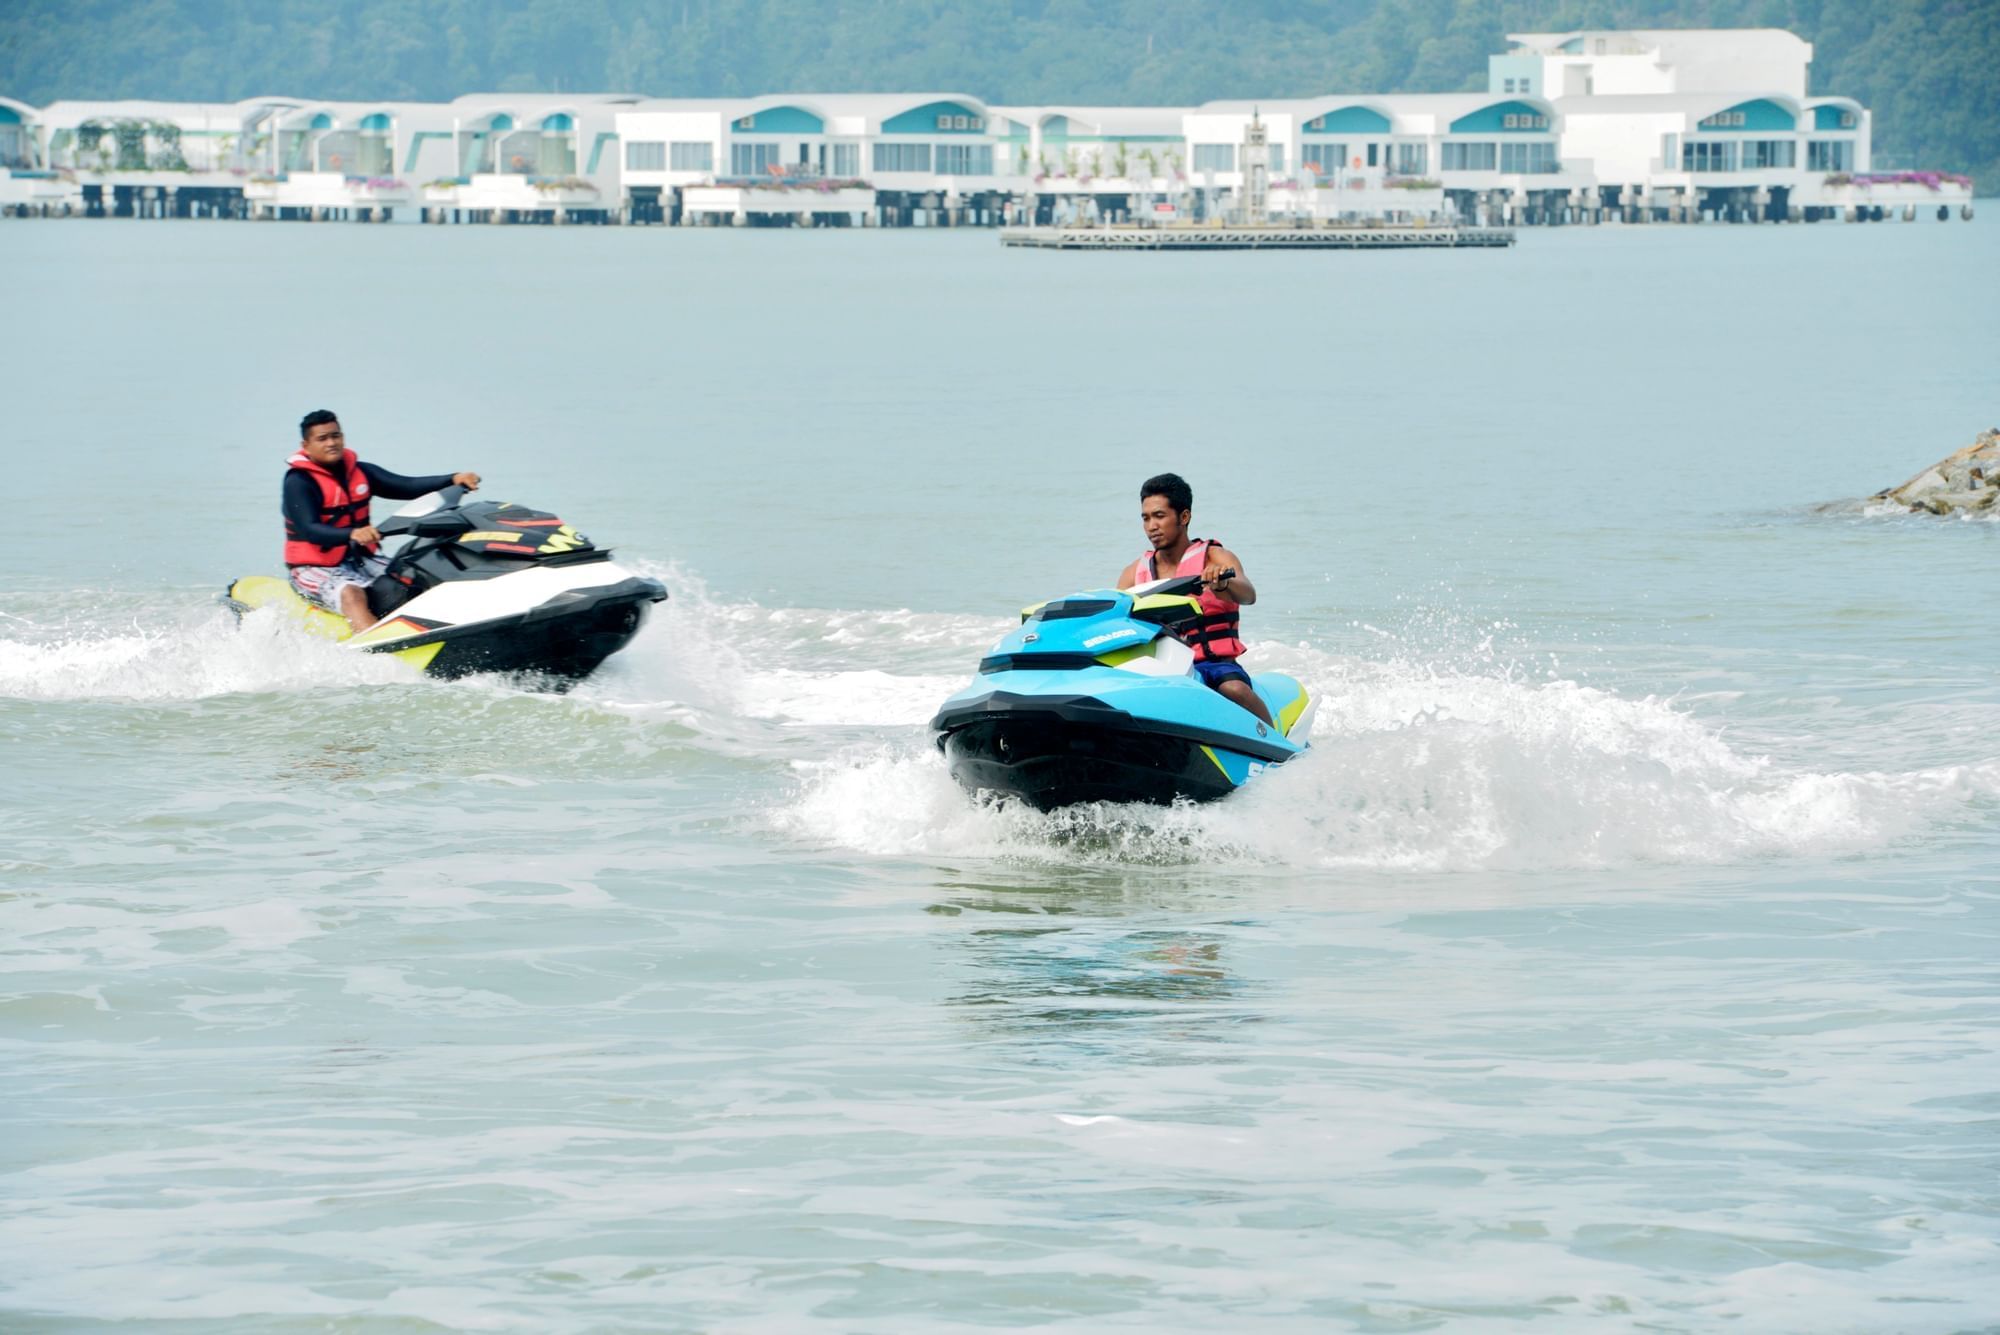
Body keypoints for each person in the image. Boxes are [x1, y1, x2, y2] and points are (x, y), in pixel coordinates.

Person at [283, 409, 481, 633]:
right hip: (312, 566)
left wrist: (453, 479)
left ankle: (455, 628)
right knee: (351, 593)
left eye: (336, 435)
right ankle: (377, 653)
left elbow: (406, 485)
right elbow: (309, 529)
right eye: (322, 438)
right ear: (306, 445)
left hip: (359, 559)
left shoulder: (361, 472)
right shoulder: (298, 482)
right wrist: (351, 534)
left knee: (414, 574)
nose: (331, 443)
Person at [1116, 472, 1273, 726]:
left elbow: (1248, 594)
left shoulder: (1215, 558)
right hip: (1161, 667)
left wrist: (1224, 581)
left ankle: (1277, 748)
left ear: (1184, 517)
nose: (1151, 526)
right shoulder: (1133, 573)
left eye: (1159, 516)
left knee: (1235, 690)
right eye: (1145, 518)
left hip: (1213, 665)